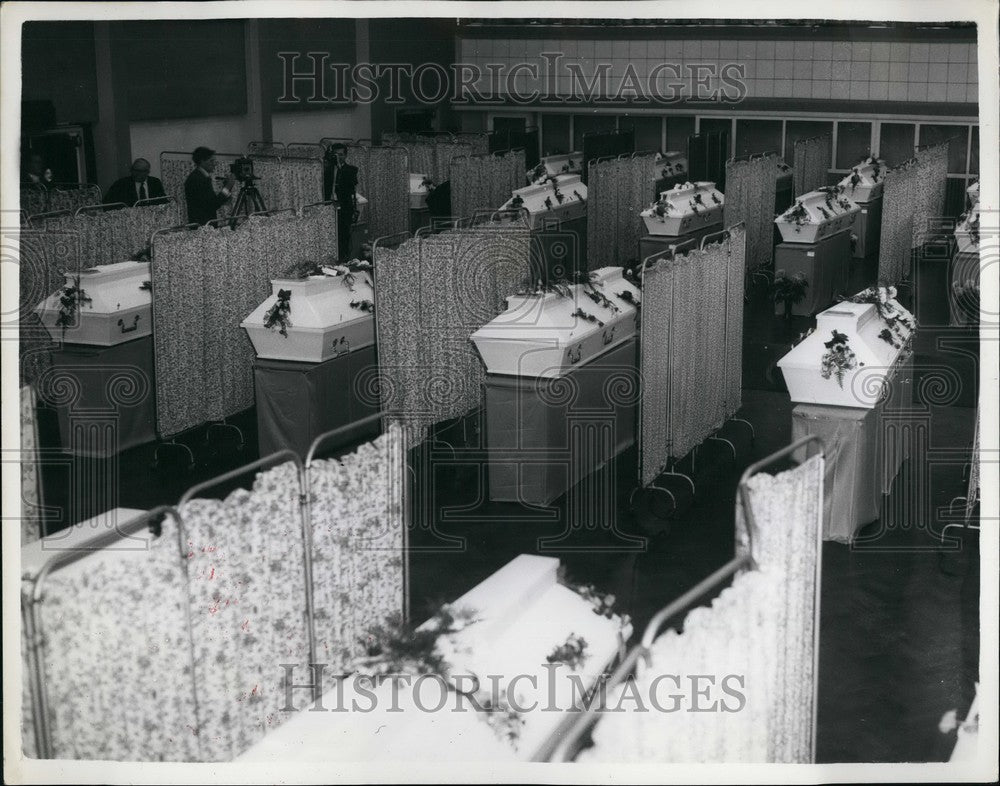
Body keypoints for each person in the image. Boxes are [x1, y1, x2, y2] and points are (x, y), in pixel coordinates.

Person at [323, 143, 359, 261]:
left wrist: (339, 167)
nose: (339, 157)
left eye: (341, 155)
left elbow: (351, 185)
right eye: (336, 155)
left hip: (344, 207)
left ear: (346, 155)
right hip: (329, 206)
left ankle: (344, 259)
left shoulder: (351, 170)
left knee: (343, 235)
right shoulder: (326, 170)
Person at [184, 146, 235, 225]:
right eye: (211, 161)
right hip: (202, 225)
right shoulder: (198, 179)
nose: (214, 164)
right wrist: (227, 188)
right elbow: (213, 204)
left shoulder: (200, 176)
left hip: (203, 223)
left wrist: (227, 188)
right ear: (202, 161)